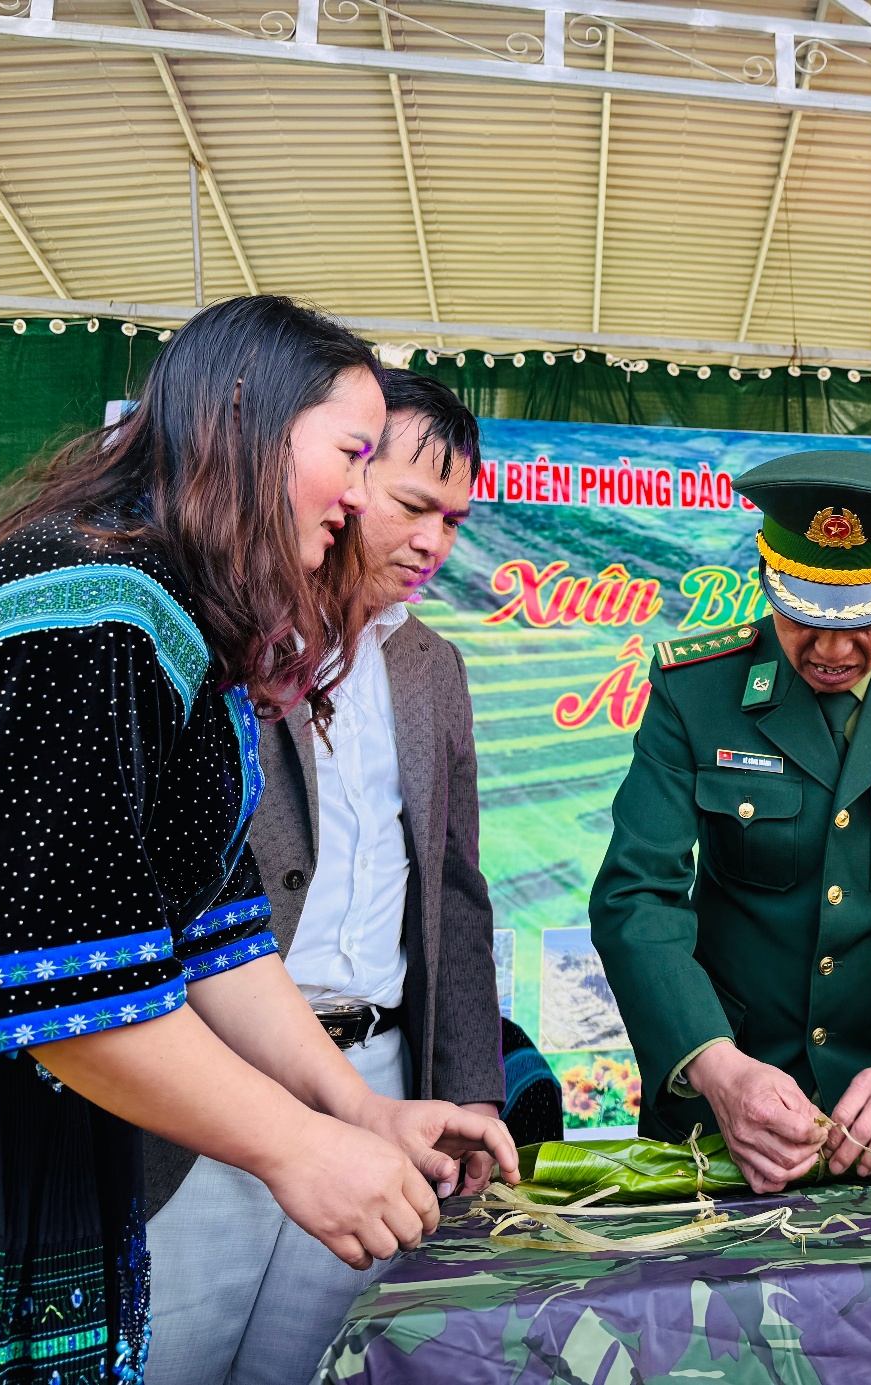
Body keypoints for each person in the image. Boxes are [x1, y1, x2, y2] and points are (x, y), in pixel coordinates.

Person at [0, 297, 517, 1385]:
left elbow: (222, 937)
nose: (363, 497)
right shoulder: (82, 608)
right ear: (248, 423)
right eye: (354, 454)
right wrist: (295, 1145)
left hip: (40, 1112)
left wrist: (361, 1106)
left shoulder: (172, 619)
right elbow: (55, 981)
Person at [143, 370, 520, 1385]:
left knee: (319, 1364)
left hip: (380, 1081)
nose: (435, 542)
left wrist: (469, 1095)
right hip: (211, 1076)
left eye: (454, 519)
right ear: (339, 480)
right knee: (162, 1356)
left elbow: (455, 894)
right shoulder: (218, 635)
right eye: (411, 504)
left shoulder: (433, 666)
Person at [590, 450, 871, 1194]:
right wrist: (715, 1067)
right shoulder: (696, 692)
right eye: (804, 614)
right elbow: (636, 895)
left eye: (862, 619)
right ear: (766, 578)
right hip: (721, 1118)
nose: (831, 648)